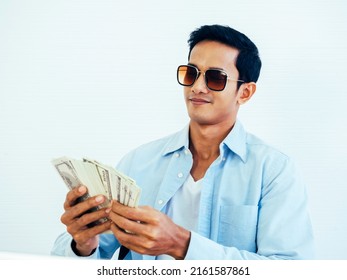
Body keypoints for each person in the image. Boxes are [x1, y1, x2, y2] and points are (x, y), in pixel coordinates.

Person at [51, 24, 314, 260]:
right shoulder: (139, 162)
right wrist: (82, 245)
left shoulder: (273, 170)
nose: (198, 87)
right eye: (191, 73)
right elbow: (86, 256)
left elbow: (289, 270)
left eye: (215, 78)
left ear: (245, 92)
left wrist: (181, 244)